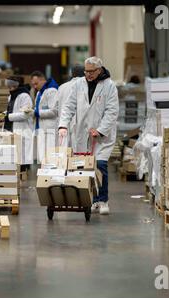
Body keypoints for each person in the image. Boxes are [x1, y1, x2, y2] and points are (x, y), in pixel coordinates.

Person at [58, 57, 119, 215]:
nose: (88, 75)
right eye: (86, 71)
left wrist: (100, 130)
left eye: (92, 71)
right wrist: (63, 125)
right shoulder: (78, 84)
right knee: (85, 168)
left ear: (99, 70)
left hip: (101, 137)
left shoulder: (109, 86)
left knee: (100, 165)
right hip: (82, 134)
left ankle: (103, 200)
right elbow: (69, 106)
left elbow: (112, 112)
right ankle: (92, 200)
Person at [0, 75, 34, 170]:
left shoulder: (25, 96)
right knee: (14, 156)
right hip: (12, 129)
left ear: (16, 86)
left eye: (11, 87)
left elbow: (25, 115)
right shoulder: (11, 96)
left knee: (22, 158)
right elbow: (11, 110)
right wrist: (4, 114)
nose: (9, 89)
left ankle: (23, 176)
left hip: (22, 129)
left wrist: (8, 117)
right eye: (8, 87)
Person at [30, 71, 59, 163]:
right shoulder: (39, 93)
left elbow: (54, 111)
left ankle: (50, 176)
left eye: (36, 83)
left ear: (43, 80)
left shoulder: (52, 91)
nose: (34, 86)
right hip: (40, 127)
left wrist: (36, 112)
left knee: (50, 157)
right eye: (33, 84)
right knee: (42, 157)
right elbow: (38, 108)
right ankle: (44, 176)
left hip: (50, 129)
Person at [55, 64, 85, 148]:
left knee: (64, 153)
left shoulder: (62, 87)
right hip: (79, 125)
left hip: (63, 124)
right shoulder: (85, 86)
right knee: (78, 155)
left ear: (72, 74)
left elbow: (55, 107)